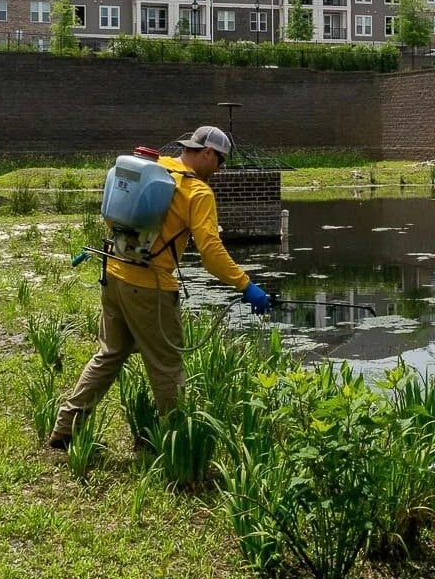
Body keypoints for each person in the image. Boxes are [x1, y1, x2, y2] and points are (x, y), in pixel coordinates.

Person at [47, 126, 271, 450]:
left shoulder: (153, 168)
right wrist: (246, 285)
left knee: (109, 354)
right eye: (220, 162)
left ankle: (64, 429)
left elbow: (112, 216)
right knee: (167, 367)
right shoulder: (197, 192)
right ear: (207, 153)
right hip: (150, 287)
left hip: (113, 274)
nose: (219, 170)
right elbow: (211, 252)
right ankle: (179, 446)